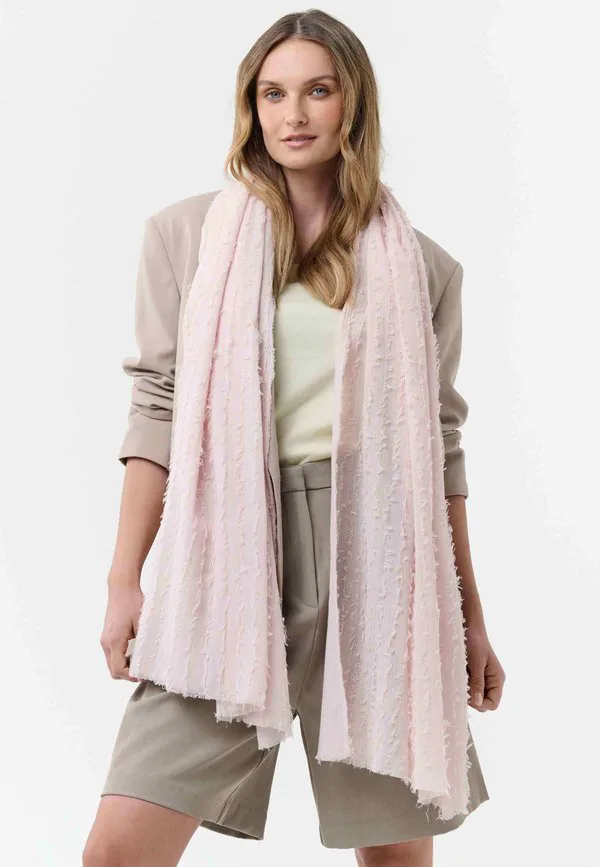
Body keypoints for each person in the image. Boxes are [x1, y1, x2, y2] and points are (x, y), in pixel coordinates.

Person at [83, 9, 505, 867]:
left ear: (354, 105)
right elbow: (157, 407)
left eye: (318, 90)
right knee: (118, 850)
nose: (294, 114)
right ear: (251, 107)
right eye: (272, 94)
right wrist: (125, 577)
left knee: (394, 858)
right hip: (226, 557)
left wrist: (470, 614)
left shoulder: (423, 266)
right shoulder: (187, 237)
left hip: (379, 563)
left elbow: (440, 445)